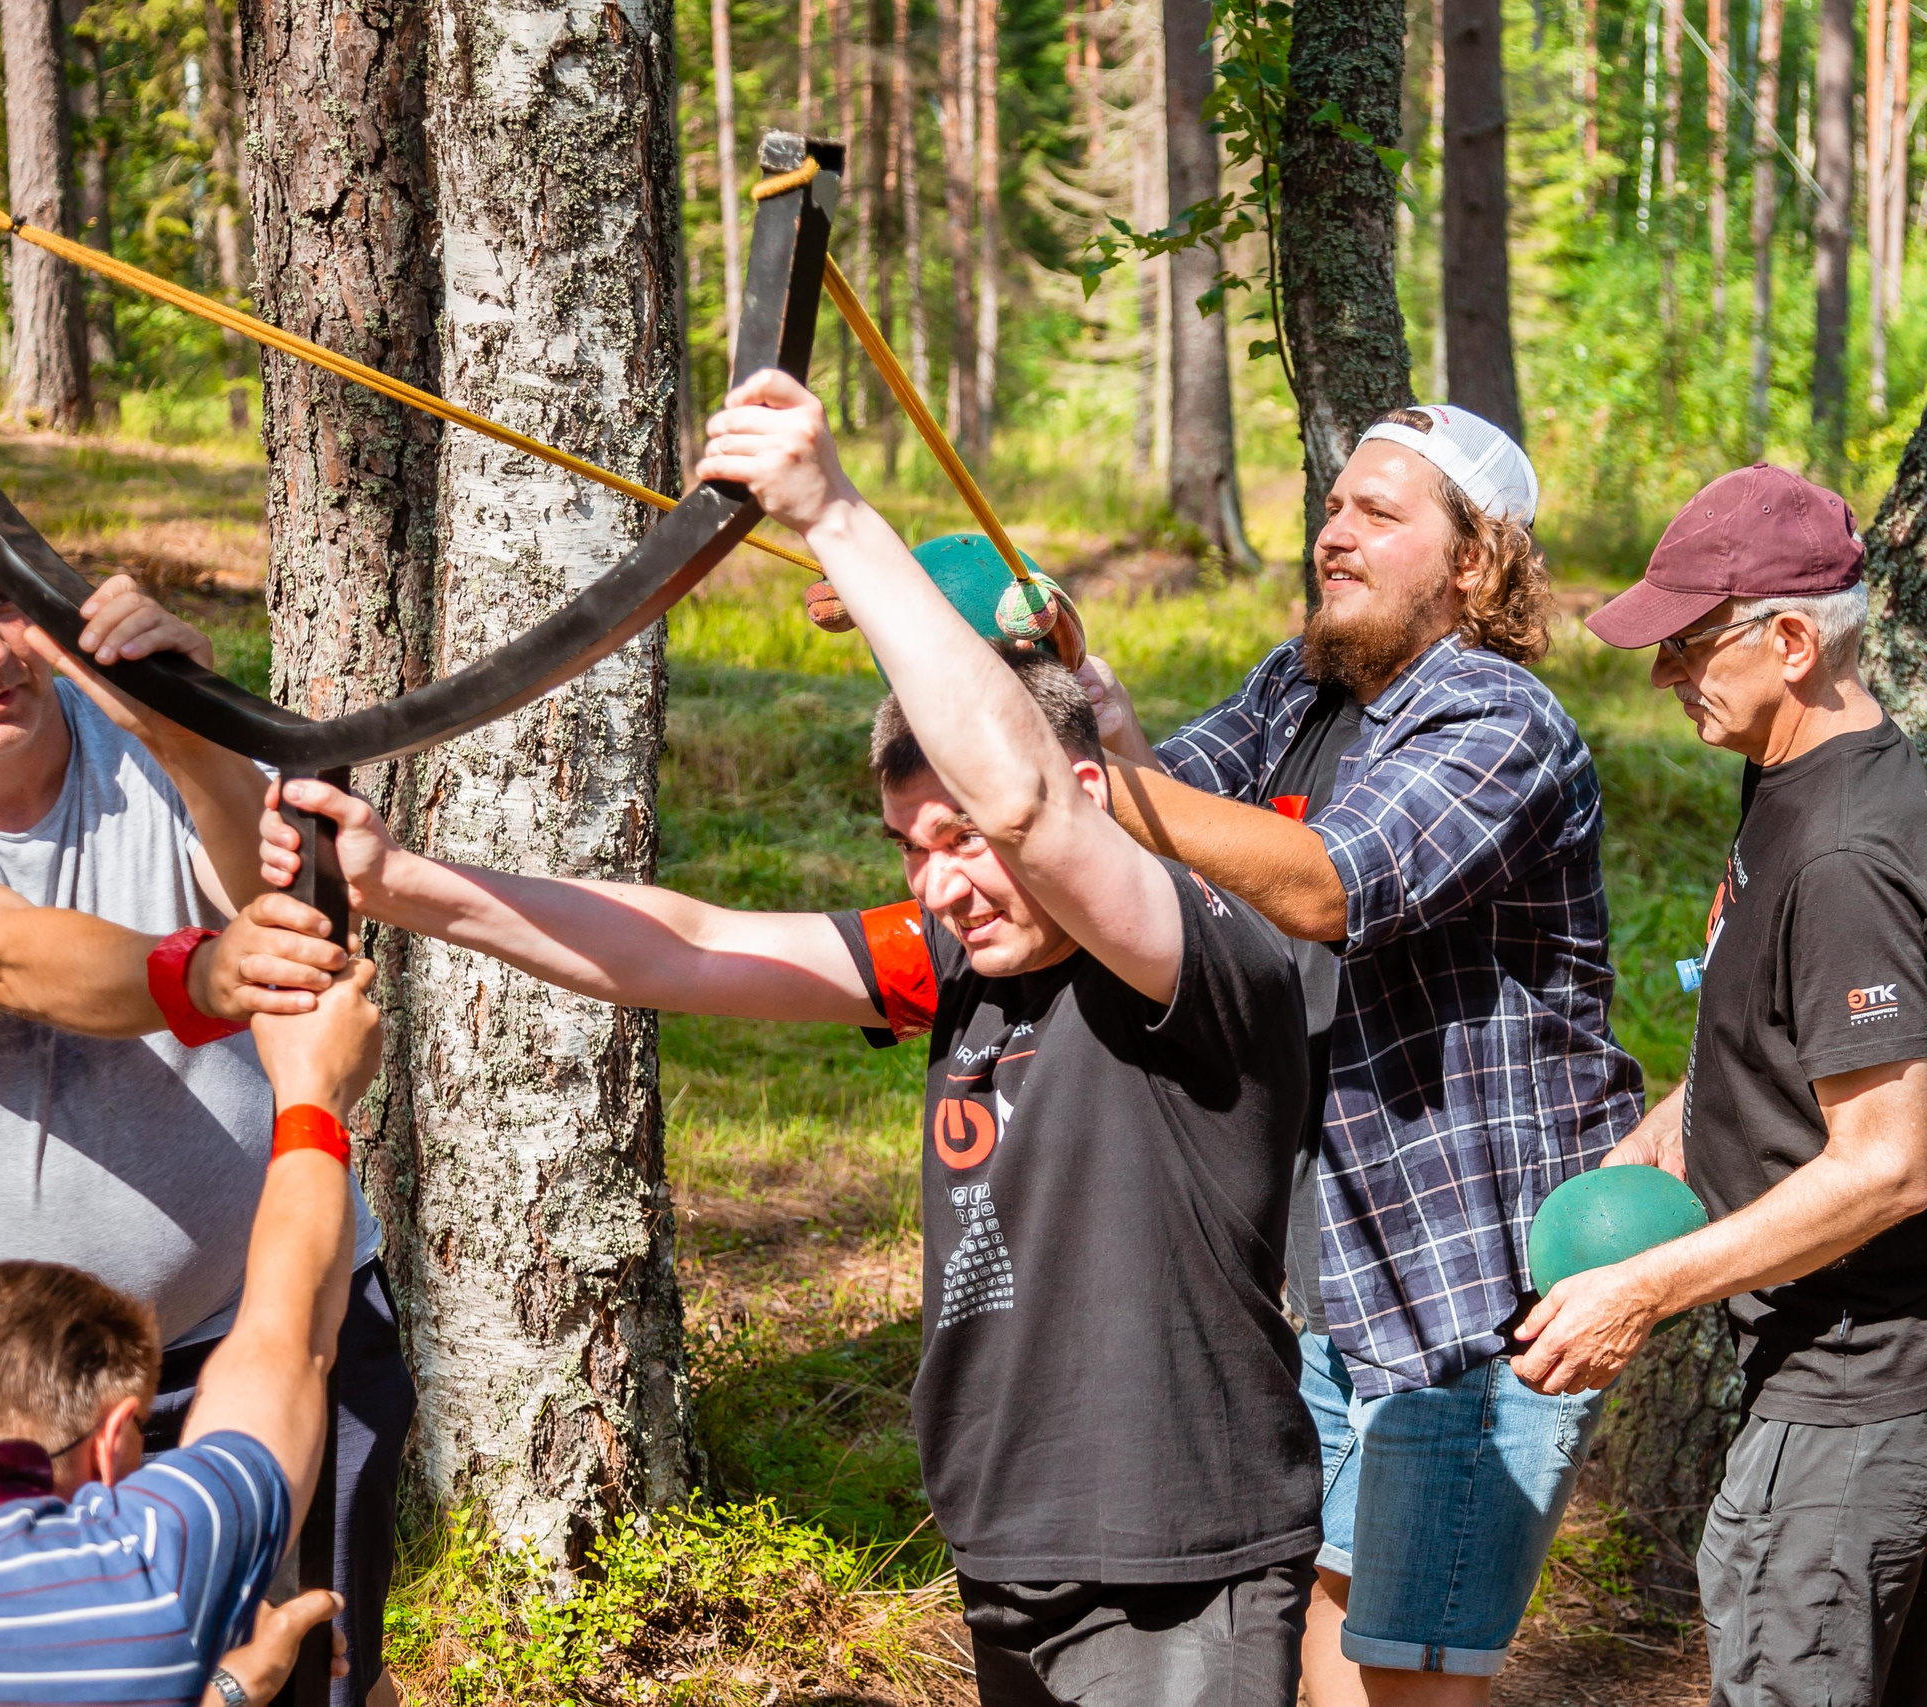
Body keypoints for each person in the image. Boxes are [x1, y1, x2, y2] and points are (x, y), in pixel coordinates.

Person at [256, 366, 1325, 1706]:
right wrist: (403, 882)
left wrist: (835, 515)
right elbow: (684, 945)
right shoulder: (956, 958)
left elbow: (1033, 807)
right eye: (910, 846)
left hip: (1176, 1556)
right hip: (1012, 1541)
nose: (941, 881)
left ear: (1090, 793)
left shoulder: (1200, 953)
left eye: (962, 838)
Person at [1077, 404, 1645, 1700]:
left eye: (1379, 513)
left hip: (1471, 1300)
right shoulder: (1301, 688)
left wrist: (1106, 783)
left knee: (1408, 1677)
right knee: (1331, 1632)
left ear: (1473, 562)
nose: (1335, 532)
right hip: (1330, 1272)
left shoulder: (1500, 719)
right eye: (1334, 506)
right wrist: (1035, 685)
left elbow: (1333, 881)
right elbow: (1157, 806)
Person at [1515, 464, 1927, 1707]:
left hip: (1864, 1378)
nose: (1664, 675)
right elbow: (1782, 1032)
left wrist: (1643, 1289)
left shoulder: (1845, 856)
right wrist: (1676, 1129)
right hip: (1862, 1358)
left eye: (1689, 646)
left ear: (1790, 642)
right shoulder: (1793, 775)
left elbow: (1887, 1168)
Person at [0, 575, 412, 1707]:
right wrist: (206, 975)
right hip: (28, 1400)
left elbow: (277, 898)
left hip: (267, 1321)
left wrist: (187, 731)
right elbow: (10, 956)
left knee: (330, 1669)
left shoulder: (149, 738)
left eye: (4, 605)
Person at [0, 955, 385, 1707]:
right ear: (112, 1440)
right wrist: (316, 1095)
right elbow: (289, 1337)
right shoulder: (138, 1573)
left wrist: (231, 1689)